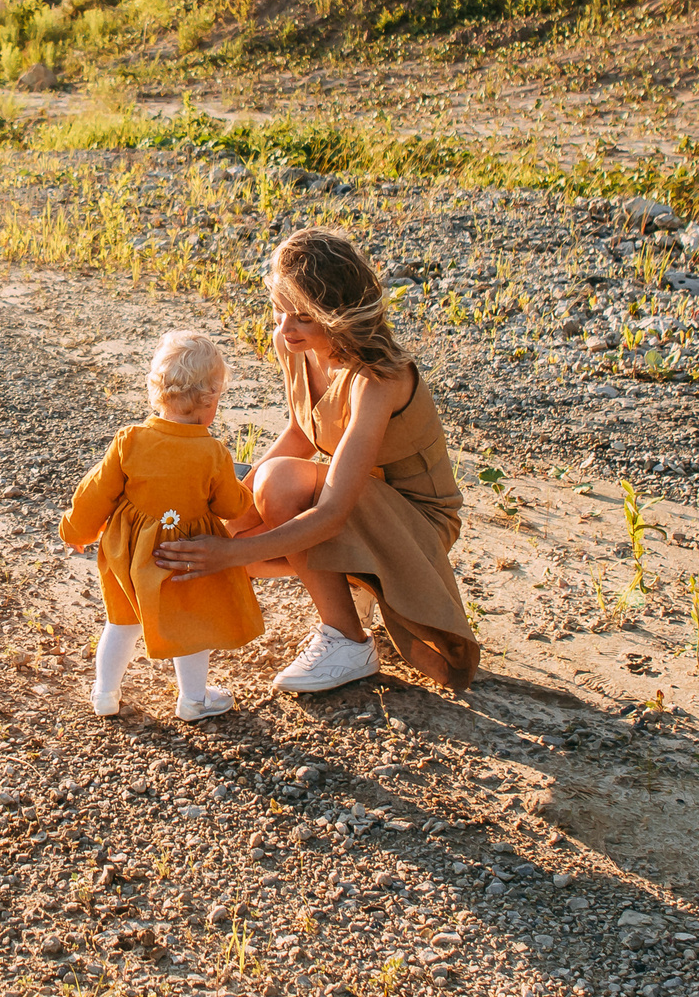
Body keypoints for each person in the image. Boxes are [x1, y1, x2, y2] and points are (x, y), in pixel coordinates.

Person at [157, 228, 479, 693]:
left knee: (277, 486)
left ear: (338, 316)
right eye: (280, 309)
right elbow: (301, 430)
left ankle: (347, 640)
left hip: (416, 522)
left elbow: (329, 515)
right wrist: (232, 511)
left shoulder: (378, 376)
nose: (286, 330)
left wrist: (227, 554)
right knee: (231, 513)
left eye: (303, 318)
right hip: (350, 496)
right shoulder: (294, 345)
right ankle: (353, 590)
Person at [59, 330, 262, 721]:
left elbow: (96, 492)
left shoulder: (130, 440)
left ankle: (105, 694)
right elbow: (229, 505)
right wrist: (246, 493)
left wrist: (76, 531)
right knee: (190, 625)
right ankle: (194, 700)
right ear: (210, 400)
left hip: (129, 554)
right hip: (183, 555)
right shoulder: (212, 452)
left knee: (121, 623)